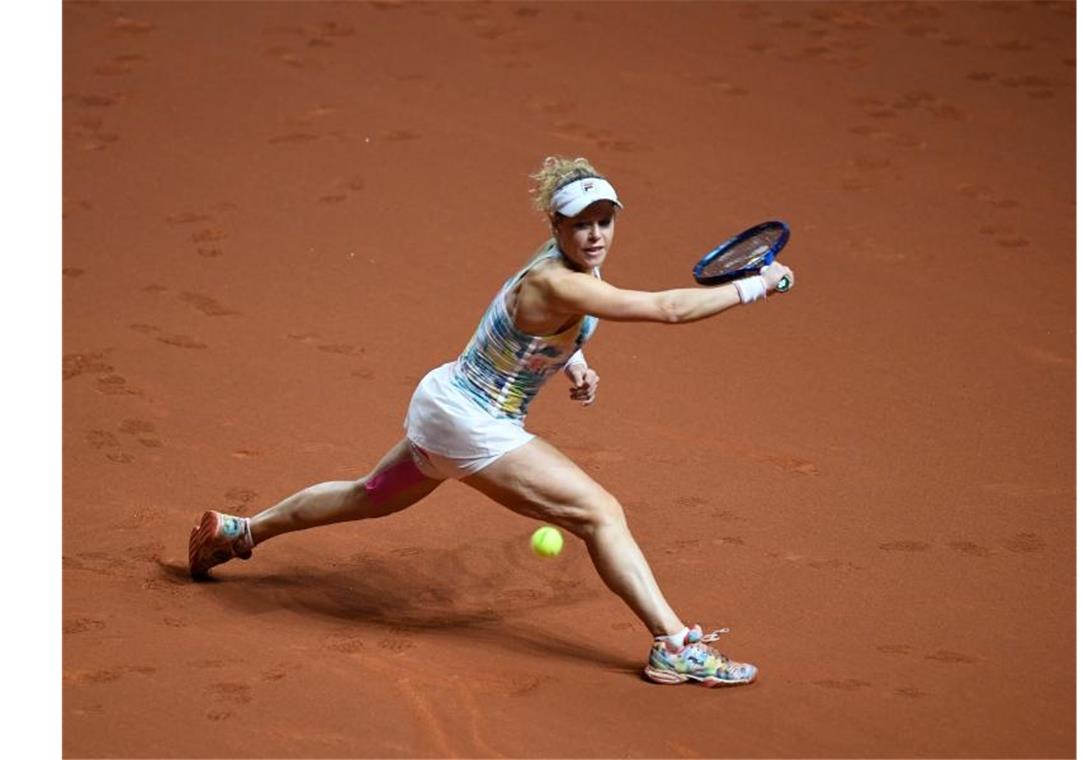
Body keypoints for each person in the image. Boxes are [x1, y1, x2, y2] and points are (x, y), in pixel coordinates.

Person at [188, 156, 794, 687]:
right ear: (556, 227)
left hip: (446, 401)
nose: (595, 234)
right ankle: (674, 645)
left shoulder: (564, 269)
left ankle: (241, 531)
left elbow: (528, 324)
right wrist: (757, 286)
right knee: (599, 512)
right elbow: (663, 308)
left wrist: (572, 359)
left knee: (368, 496)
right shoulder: (558, 279)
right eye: (581, 223)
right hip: (475, 422)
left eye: (604, 221)